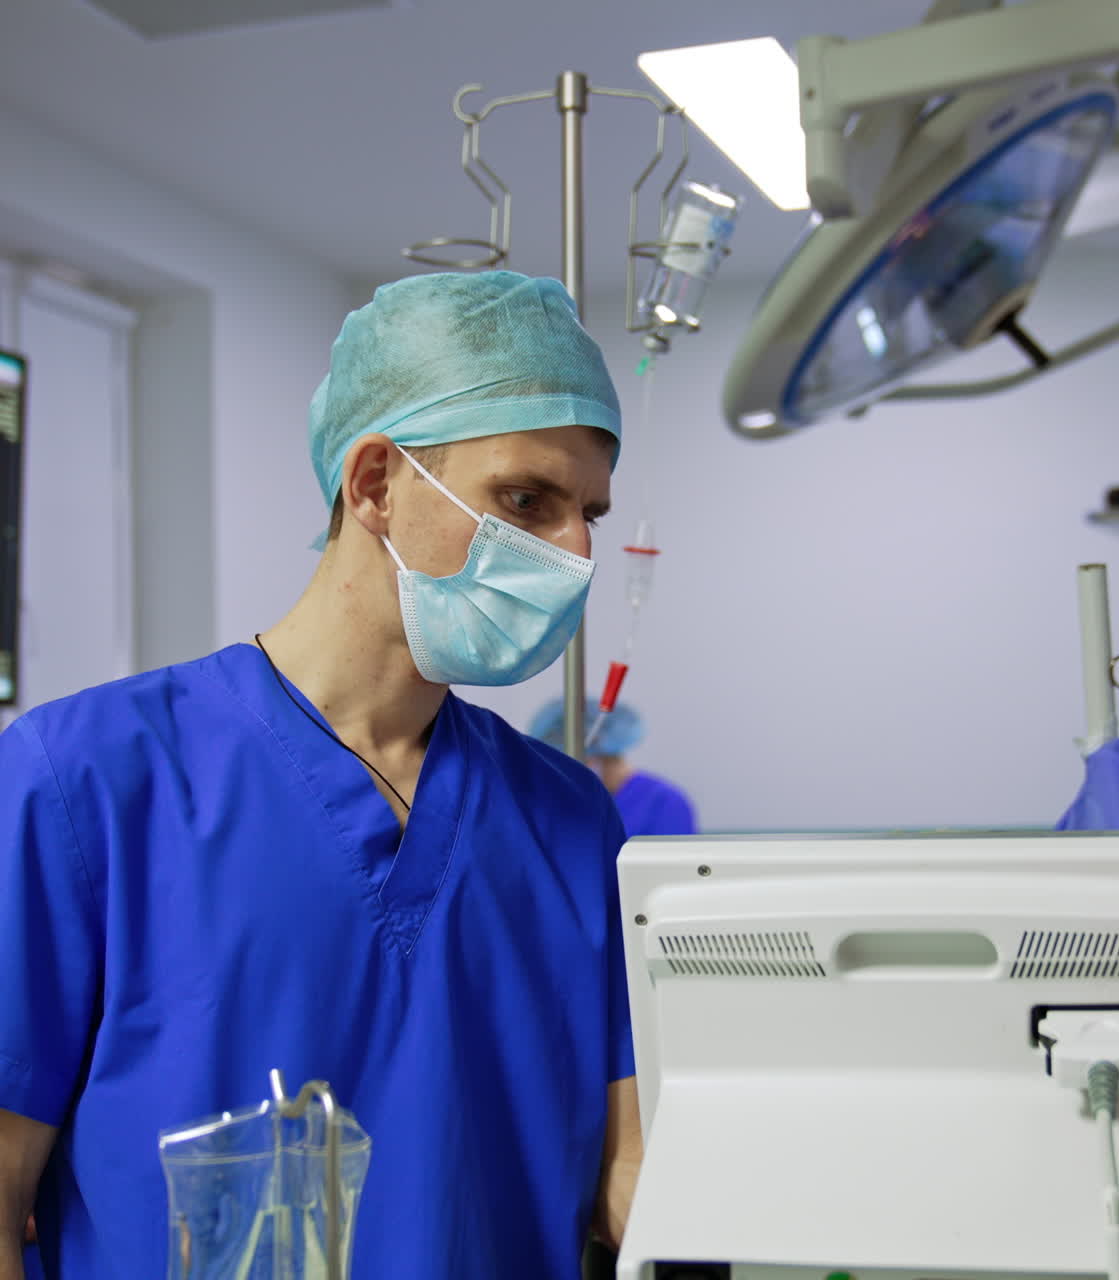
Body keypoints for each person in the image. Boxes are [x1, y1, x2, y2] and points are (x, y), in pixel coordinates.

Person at [0, 271, 642, 1279]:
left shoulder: (569, 822)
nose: (572, 550)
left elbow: (633, 1177)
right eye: (528, 499)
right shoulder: (82, 783)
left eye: (587, 513)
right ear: (376, 482)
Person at [530, 698, 697, 837]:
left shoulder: (664, 803)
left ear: (598, 756)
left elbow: (671, 872)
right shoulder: (563, 804)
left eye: (568, 765)